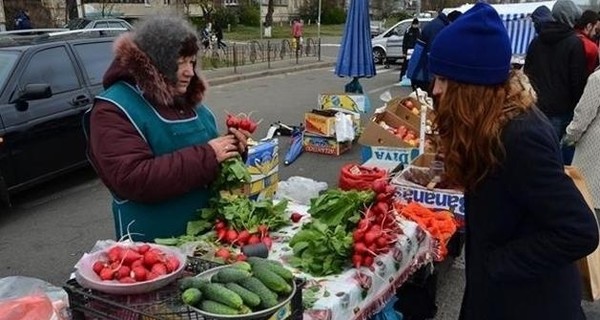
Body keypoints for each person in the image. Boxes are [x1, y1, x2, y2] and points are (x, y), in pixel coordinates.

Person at [428, 3, 599, 319]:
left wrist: (496, 264)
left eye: (442, 78)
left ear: (470, 85)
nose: (435, 89)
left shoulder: (520, 137)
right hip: (499, 294)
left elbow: (579, 230)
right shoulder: (492, 123)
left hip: (528, 303)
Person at [83, 15, 250, 242]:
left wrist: (232, 150)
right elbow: (133, 179)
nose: (190, 71)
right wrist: (209, 155)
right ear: (155, 60)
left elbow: (210, 164)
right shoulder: (113, 108)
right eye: (180, 61)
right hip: (150, 247)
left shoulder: (191, 105)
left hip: (206, 238)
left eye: (192, 61)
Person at [524, 0, 587, 164]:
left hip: (536, 108)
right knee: (557, 159)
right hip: (562, 111)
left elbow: (527, 74)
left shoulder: (536, 42)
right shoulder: (574, 43)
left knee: (535, 154)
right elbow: (577, 81)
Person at [563, 64, 600, 215]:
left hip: (593, 152)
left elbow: (582, 118)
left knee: (586, 200)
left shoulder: (597, 79)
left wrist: (569, 136)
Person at [408, 11, 450, 93]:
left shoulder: (439, 24)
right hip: (421, 74)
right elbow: (432, 54)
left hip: (421, 73)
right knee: (426, 101)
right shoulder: (438, 27)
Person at [574, 10, 600, 74]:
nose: (595, 34)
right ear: (589, 26)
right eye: (596, 30)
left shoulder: (569, 37)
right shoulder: (591, 47)